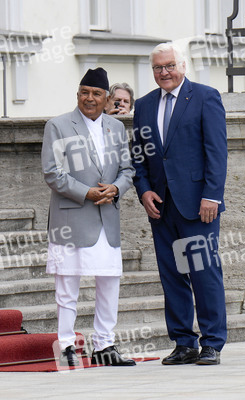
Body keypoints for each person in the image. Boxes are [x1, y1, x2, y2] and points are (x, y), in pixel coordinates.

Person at [132, 42, 227, 365]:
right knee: (171, 274)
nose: (164, 72)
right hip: (161, 205)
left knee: (203, 272)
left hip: (198, 204)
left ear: (183, 66)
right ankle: (184, 343)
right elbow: (139, 155)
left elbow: (216, 150)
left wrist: (212, 195)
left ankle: (212, 342)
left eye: (170, 65)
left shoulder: (205, 96)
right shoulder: (144, 105)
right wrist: (143, 190)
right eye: (158, 67)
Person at [41, 67, 136, 367]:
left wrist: (115, 188)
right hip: (72, 219)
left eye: (96, 94)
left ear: (107, 99)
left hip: (106, 218)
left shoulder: (116, 128)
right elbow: (52, 172)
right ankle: (67, 345)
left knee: (109, 283)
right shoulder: (57, 126)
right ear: (77, 95)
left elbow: (128, 170)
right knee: (67, 286)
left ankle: (104, 345)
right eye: (84, 93)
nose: (89, 99)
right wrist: (87, 193)